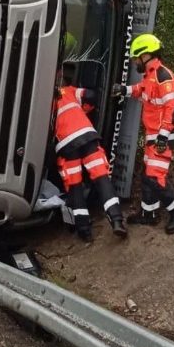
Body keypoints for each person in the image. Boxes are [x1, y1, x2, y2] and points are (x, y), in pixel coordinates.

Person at [112, 34, 174, 234]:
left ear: (146, 55)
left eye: (136, 58)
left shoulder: (163, 76)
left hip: (163, 136)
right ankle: (149, 214)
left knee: (155, 177)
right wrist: (124, 90)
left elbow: (173, 108)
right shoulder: (150, 76)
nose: (134, 62)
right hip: (153, 134)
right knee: (147, 175)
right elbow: (141, 90)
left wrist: (163, 136)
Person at [55, 63, 127, 241]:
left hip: (66, 144)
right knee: (101, 178)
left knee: (75, 186)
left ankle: (84, 232)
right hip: (87, 136)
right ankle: (117, 221)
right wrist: (84, 110)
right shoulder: (70, 91)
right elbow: (92, 95)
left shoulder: (44, 100)